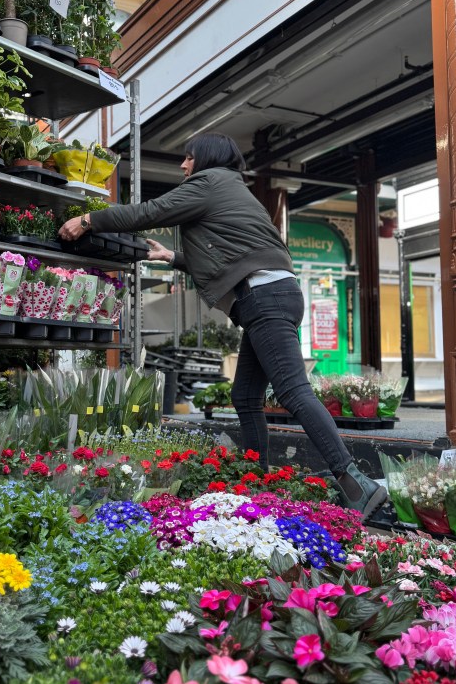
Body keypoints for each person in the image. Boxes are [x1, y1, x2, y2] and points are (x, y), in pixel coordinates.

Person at [59, 131, 388, 521]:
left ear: (206, 158)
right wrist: (173, 256)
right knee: (246, 395)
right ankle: (258, 479)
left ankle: (355, 482)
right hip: (272, 295)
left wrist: (88, 219)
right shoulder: (232, 188)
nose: (183, 165)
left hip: (264, 299)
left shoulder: (209, 182)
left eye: (188, 157)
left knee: (293, 391)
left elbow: (149, 212)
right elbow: (234, 252)